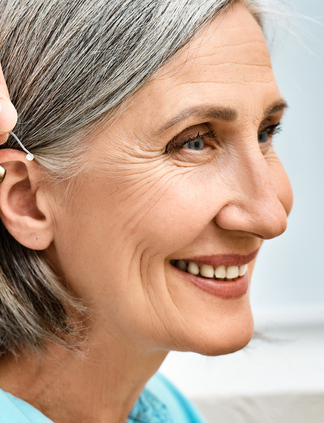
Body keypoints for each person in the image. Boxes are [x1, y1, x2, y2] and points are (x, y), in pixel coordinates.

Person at [0, 0, 293, 422]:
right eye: (194, 142)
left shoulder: (167, 411)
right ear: (28, 201)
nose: (271, 217)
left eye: (266, 133)